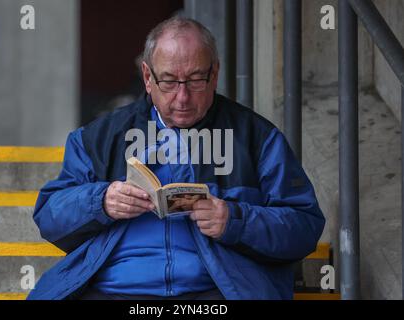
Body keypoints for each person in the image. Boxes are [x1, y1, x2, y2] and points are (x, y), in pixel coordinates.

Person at [27, 16, 325, 300]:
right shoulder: (98, 138)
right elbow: (50, 217)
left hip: (217, 291)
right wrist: (100, 201)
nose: (182, 98)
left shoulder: (255, 137)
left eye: (196, 80)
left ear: (215, 74)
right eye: (168, 81)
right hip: (112, 289)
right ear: (147, 77)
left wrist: (235, 220)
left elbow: (303, 227)